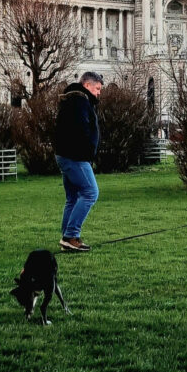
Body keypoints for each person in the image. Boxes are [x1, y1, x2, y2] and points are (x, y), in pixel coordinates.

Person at [54, 71, 103, 252]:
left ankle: (67, 238)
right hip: (75, 157)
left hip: (66, 155)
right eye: (97, 88)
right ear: (87, 85)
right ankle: (70, 235)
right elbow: (80, 130)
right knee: (91, 192)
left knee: (73, 198)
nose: (99, 93)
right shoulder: (80, 102)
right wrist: (88, 152)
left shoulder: (72, 100)